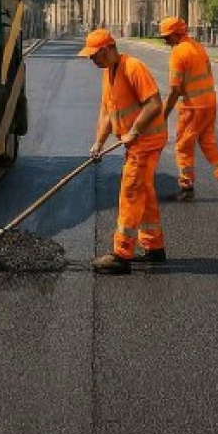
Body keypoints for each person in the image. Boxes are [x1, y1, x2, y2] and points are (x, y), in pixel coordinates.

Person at [80, 28, 168, 275]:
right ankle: (154, 247)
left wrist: (136, 130)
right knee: (145, 192)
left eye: (94, 55)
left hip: (147, 141)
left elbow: (154, 103)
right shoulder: (109, 73)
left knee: (130, 192)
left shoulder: (133, 67)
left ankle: (121, 254)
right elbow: (108, 112)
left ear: (107, 50)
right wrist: (99, 142)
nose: (91, 60)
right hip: (135, 143)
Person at [158, 17, 218, 202]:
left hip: (193, 107)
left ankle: (186, 188)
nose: (165, 41)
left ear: (177, 34)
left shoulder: (178, 53)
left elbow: (175, 90)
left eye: (167, 37)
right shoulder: (198, 47)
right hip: (209, 103)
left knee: (183, 146)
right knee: (208, 142)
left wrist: (163, 115)